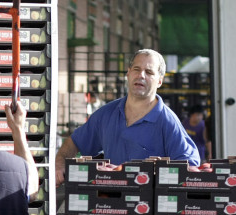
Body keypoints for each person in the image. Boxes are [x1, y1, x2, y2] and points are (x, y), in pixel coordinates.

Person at [54, 49, 200, 184]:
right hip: (110, 197)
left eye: (149, 72)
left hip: (149, 200)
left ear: (160, 81)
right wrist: (60, 163)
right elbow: (74, 142)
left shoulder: (167, 121)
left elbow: (191, 165)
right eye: (136, 69)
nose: (141, 75)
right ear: (128, 73)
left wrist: (162, 168)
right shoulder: (106, 114)